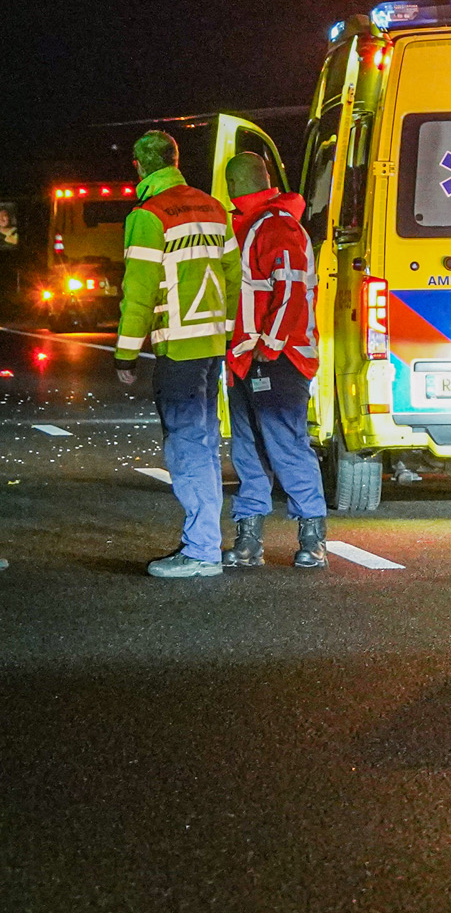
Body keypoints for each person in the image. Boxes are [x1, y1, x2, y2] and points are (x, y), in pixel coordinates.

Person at [116, 130, 240, 579]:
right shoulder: (213, 207)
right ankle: (206, 541)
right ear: (175, 158)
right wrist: (224, 335)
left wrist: (125, 355)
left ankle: (202, 549)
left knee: (187, 445)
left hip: (178, 349)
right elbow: (232, 274)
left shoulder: (149, 216)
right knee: (204, 443)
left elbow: (139, 293)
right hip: (210, 347)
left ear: (138, 165)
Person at [223, 154, 327, 568]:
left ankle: (312, 538)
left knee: (285, 447)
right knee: (250, 450)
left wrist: (270, 344)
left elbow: (290, 290)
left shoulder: (275, 226)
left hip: (275, 358)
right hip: (249, 358)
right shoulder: (256, 225)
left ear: (235, 183)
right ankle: (251, 540)